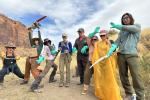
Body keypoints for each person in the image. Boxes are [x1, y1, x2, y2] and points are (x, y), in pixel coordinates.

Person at [107, 13, 145, 100]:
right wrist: (112, 47)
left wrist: (119, 26)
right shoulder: (122, 32)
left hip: (132, 55)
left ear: (130, 18)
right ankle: (128, 94)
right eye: (123, 18)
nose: (125, 19)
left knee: (136, 76)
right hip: (121, 55)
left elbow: (132, 29)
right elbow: (117, 41)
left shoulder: (136, 26)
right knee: (123, 76)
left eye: (127, 17)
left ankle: (140, 96)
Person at [92, 30, 122, 100]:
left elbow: (114, 51)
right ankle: (103, 94)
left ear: (106, 35)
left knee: (110, 79)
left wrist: (109, 44)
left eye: (103, 35)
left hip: (109, 64)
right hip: (101, 64)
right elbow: (96, 53)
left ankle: (110, 95)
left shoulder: (110, 41)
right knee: (102, 79)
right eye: (101, 35)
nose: (102, 37)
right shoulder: (98, 43)